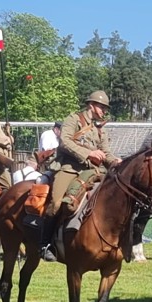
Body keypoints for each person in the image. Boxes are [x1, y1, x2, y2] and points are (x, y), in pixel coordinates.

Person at [39, 90, 121, 262]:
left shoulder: (100, 130)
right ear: (91, 105)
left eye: (105, 108)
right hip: (69, 168)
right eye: (101, 107)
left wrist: (117, 163)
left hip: (93, 171)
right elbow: (65, 142)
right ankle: (44, 244)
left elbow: (105, 153)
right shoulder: (73, 119)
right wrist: (89, 153)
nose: (104, 111)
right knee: (56, 203)